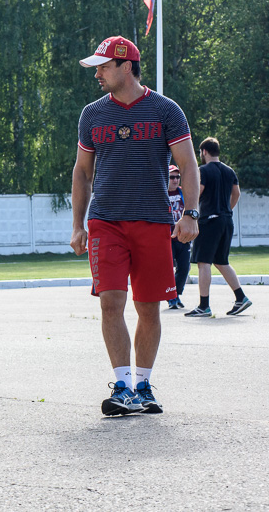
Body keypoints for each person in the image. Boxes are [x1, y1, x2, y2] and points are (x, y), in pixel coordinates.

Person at [70, 36, 199, 416]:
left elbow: (189, 165)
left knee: (148, 308)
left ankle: (143, 385)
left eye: (104, 66)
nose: (98, 73)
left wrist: (190, 214)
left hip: (153, 220)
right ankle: (122, 386)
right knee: (111, 301)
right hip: (105, 221)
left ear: (126, 66)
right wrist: (78, 224)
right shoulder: (92, 114)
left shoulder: (165, 110)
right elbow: (81, 171)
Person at [184, 137, 252, 317]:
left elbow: (198, 191)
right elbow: (236, 193)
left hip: (209, 221)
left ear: (204, 152)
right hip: (226, 220)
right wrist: (227, 209)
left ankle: (203, 306)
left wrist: (191, 208)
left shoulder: (203, 170)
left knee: (203, 262)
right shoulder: (230, 171)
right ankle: (241, 298)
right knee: (221, 261)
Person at [166, 165, 189, 310]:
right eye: (172, 177)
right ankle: (171, 297)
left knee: (184, 268)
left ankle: (176, 294)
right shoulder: (161, 193)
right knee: (168, 269)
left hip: (182, 237)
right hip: (166, 238)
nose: (175, 180)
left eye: (177, 177)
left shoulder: (182, 192)